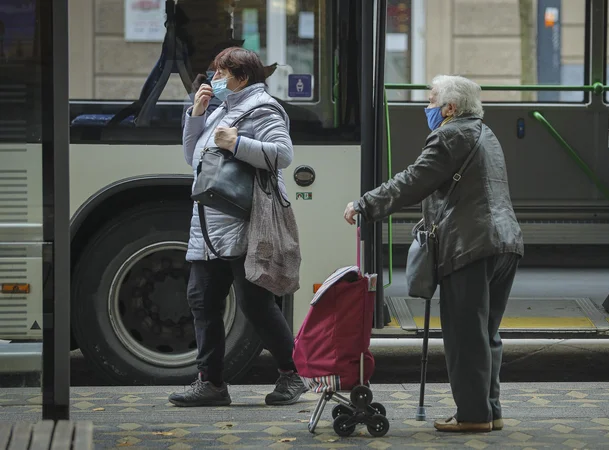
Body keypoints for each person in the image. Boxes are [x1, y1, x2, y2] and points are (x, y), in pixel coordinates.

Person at [343, 75, 524, 432]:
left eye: (430, 101)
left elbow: (414, 180)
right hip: (504, 242)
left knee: (465, 336)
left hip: (469, 246)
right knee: (486, 333)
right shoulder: (485, 134)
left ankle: (473, 416)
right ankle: (490, 410)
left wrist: (366, 204)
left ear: (450, 108)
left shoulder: (450, 135)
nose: (426, 108)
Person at [169, 47, 307, 407]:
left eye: (220, 73)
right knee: (202, 301)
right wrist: (196, 115)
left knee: (255, 303)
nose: (214, 79)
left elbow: (284, 154)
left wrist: (238, 143)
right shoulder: (222, 110)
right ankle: (211, 383)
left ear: (241, 78)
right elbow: (192, 158)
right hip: (209, 225)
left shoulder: (263, 108)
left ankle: (292, 376)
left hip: (244, 224)